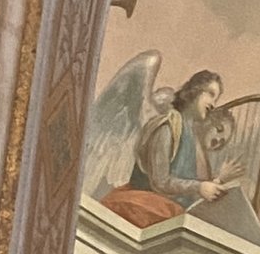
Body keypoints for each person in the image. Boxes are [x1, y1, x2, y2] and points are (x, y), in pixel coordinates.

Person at [101, 69, 244, 229]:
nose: (213, 104)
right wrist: (200, 187)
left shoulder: (192, 138)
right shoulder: (167, 126)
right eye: (210, 94)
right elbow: (160, 182)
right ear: (194, 91)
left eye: (216, 99)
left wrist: (217, 181)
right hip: (147, 207)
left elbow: (191, 195)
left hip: (173, 215)